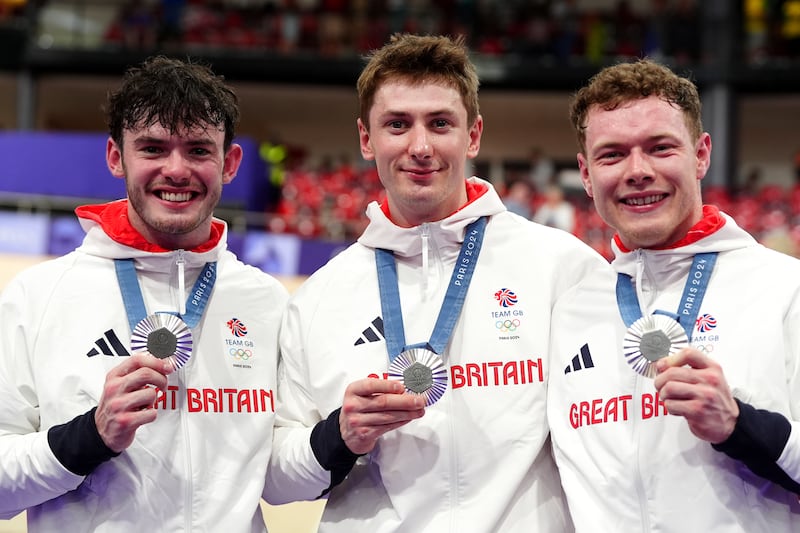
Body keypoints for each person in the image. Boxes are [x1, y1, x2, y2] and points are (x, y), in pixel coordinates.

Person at [263, 33, 607, 532]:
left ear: (473, 135)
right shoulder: (319, 297)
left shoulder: (562, 269)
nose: (419, 147)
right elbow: (275, 478)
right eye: (397, 125)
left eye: (440, 123)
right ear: (366, 139)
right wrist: (337, 436)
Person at [0, 56, 289, 531]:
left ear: (230, 163)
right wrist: (91, 435)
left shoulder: (267, 302)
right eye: (153, 148)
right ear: (116, 157)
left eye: (198, 150)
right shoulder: (37, 297)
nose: (176, 171)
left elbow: (283, 471)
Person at [547, 58, 800, 532]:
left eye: (660, 148)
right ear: (585, 173)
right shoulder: (571, 308)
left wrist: (738, 424)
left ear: (701, 153)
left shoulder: (785, 289)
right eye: (612, 154)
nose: (637, 171)